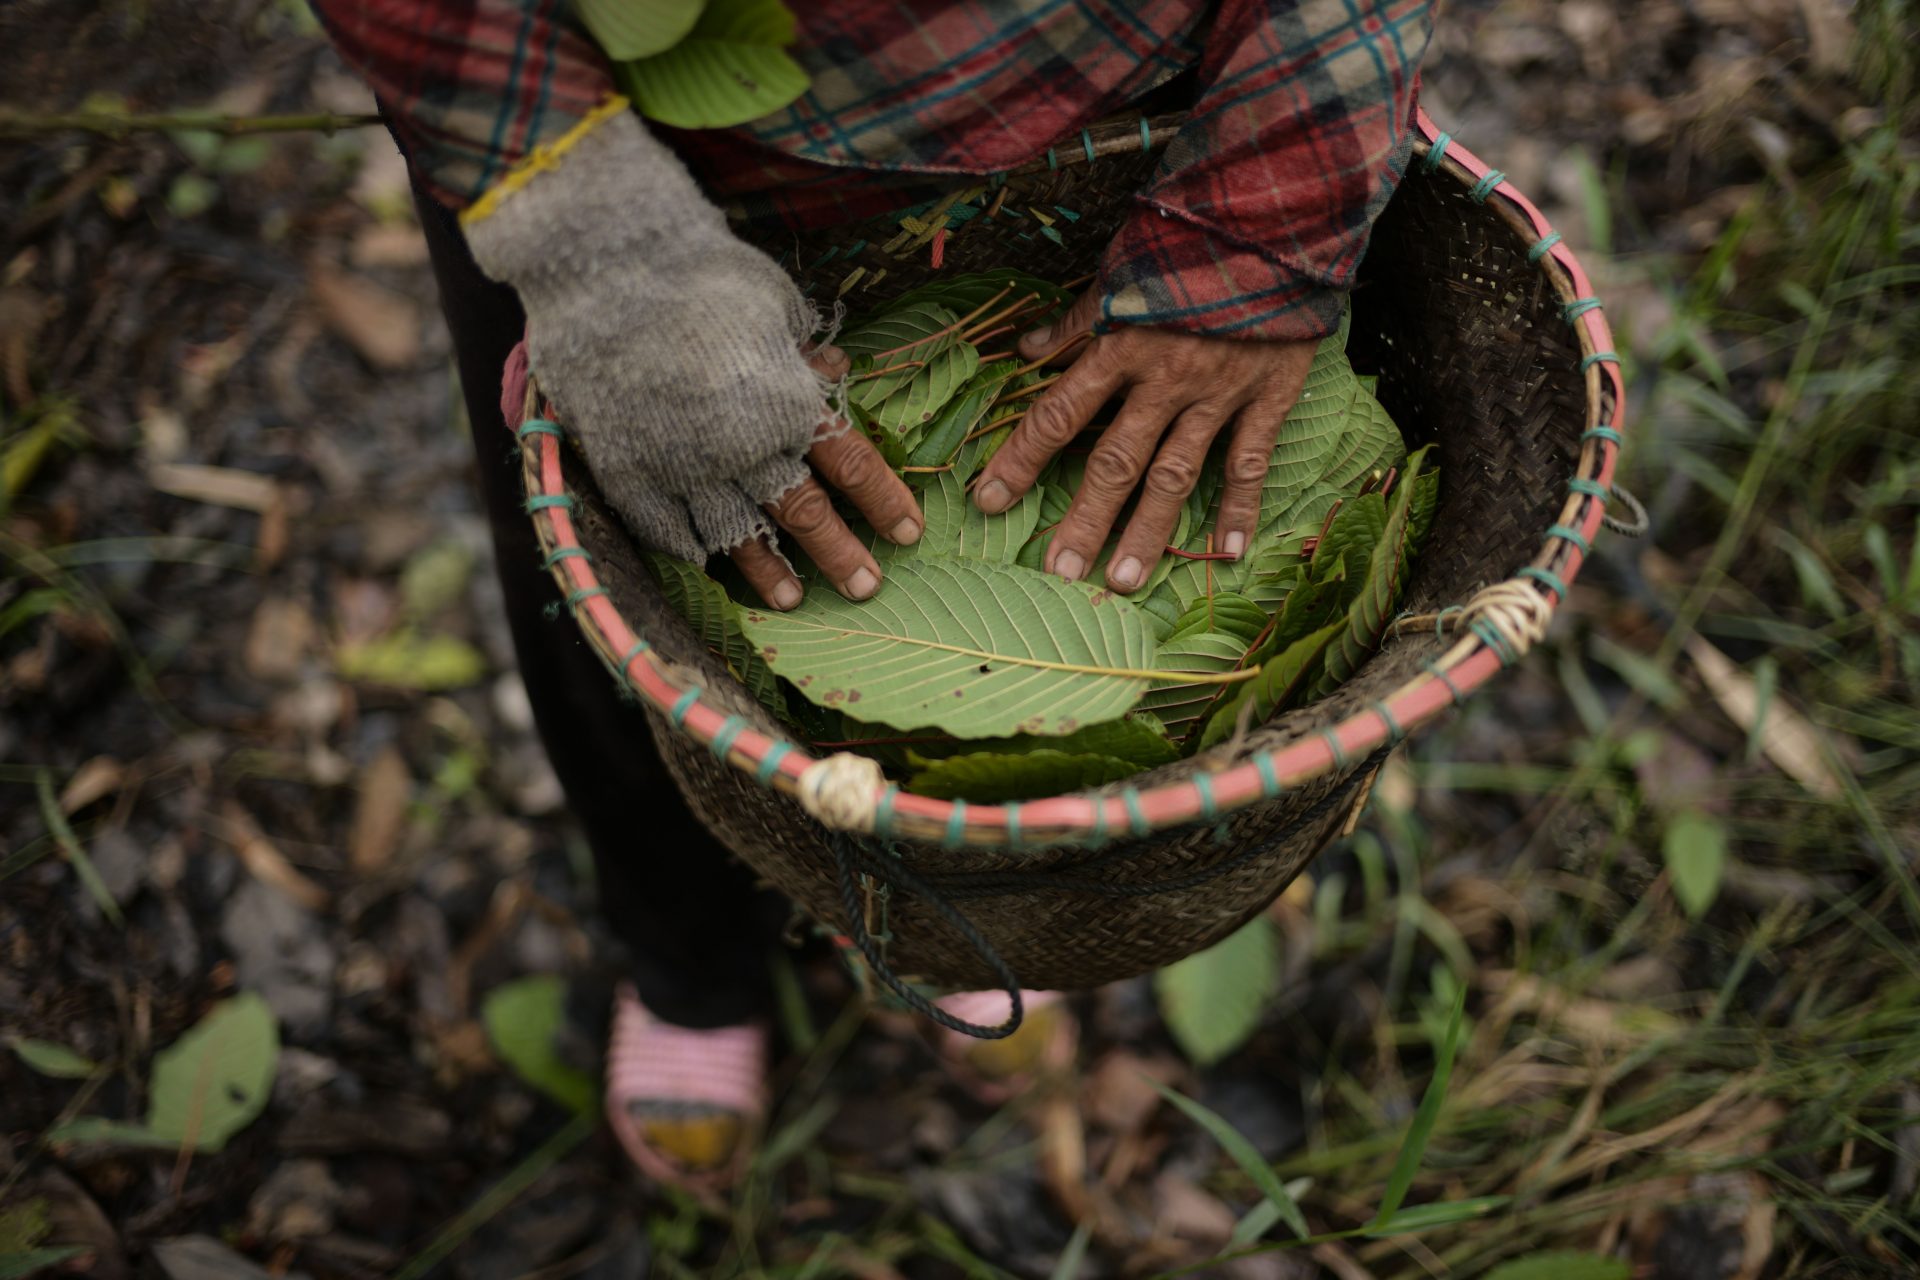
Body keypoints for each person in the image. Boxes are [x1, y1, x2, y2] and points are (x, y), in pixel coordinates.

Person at [312, 0, 1430, 1189]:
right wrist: (598, 242)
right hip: (616, 137)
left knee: (1119, 543)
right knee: (627, 601)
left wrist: (1253, 229)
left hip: (1098, 85)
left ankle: (970, 924)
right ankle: (690, 960)